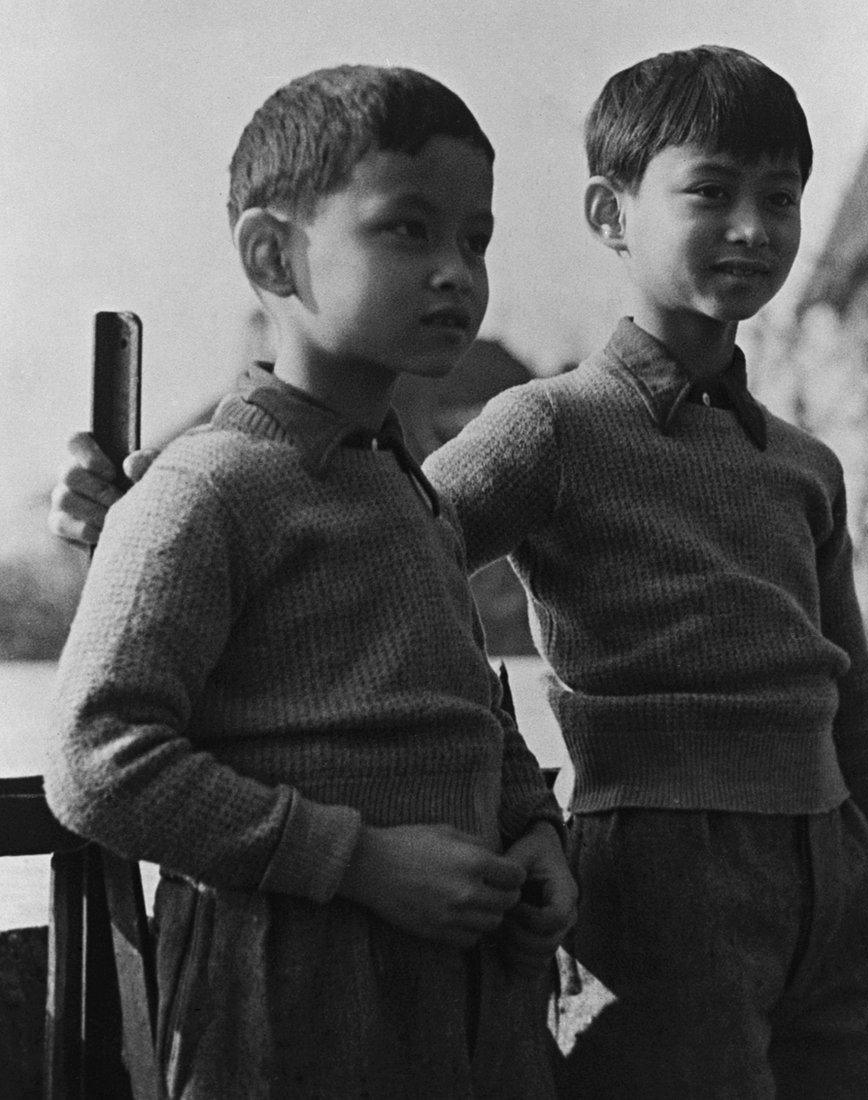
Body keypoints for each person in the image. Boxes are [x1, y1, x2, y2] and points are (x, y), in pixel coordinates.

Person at [49, 46, 868, 1099]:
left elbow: (842, 701)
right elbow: (315, 524)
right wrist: (142, 492)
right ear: (610, 215)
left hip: (774, 884)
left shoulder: (801, 464)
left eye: (782, 198)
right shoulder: (544, 427)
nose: (754, 227)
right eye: (712, 192)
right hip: (625, 886)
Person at [45, 64, 575, 1100]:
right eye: (407, 230)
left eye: (475, 240)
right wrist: (363, 860)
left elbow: (475, 709)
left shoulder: (412, 493)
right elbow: (97, 756)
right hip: (288, 999)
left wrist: (535, 832)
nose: (454, 273)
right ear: (272, 253)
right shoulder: (209, 487)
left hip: (471, 1001)